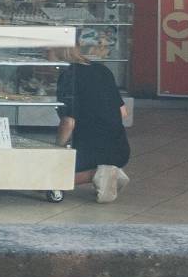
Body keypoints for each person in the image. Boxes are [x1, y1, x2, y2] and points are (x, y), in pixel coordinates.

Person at [51, 46, 130, 203]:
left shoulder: (69, 76)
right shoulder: (102, 70)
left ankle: (98, 173)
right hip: (120, 149)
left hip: (91, 152)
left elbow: (69, 122)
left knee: (51, 176)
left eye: (46, 51)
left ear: (57, 53)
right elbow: (123, 112)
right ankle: (110, 170)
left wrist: (55, 151)